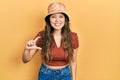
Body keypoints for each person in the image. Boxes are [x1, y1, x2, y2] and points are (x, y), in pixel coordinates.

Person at [22, 2, 79, 80]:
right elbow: (25, 60)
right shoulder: (41, 36)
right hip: (45, 74)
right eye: (53, 17)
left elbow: (73, 62)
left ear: (65, 20)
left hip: (65, 75)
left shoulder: (73, 36)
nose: (57, 20)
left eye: (61, 16)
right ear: (49, 20)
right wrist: (26, 50)